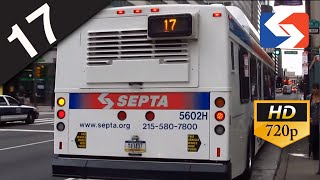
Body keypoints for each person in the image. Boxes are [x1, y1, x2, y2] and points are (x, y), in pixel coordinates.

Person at [306, 83, 320, 160]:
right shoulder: (309, 97)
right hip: (312, 122)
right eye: (314, 88)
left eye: (316, 88)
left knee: (318, 139)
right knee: (313, 139)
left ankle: (317, 154)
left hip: (319, 121)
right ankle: (315, 154)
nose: (315, 90)